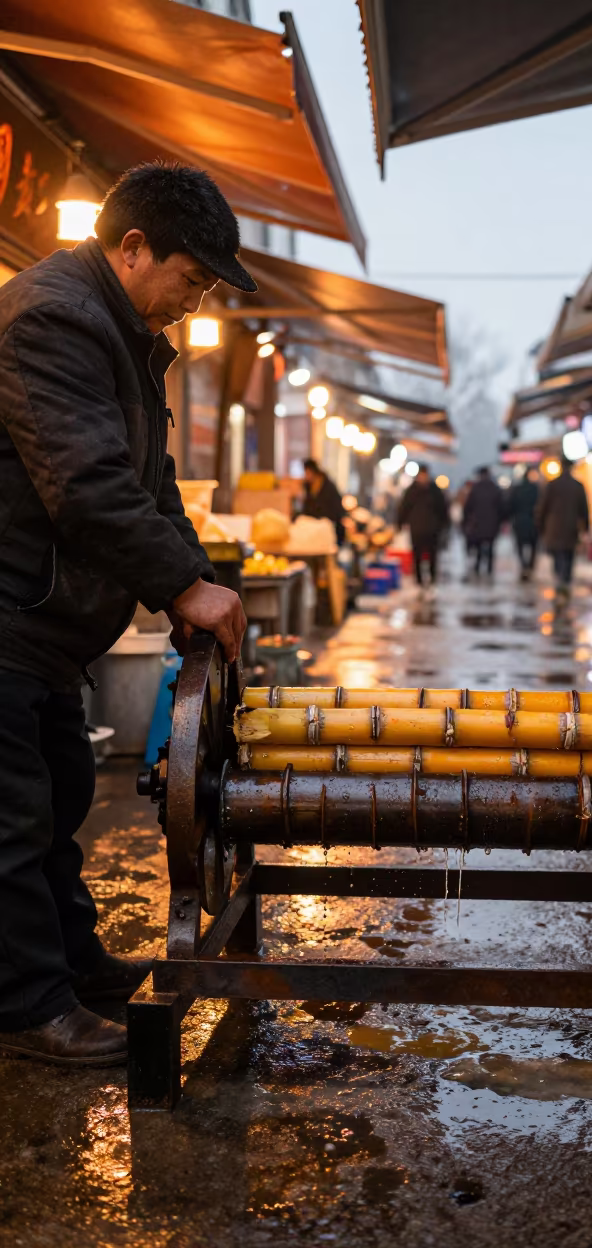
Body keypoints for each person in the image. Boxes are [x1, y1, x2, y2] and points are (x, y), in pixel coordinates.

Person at [0, 162, 251, 1068]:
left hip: (46, 628)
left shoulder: (125, 331)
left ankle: (70, 966)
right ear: (133, 247)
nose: (192, 301)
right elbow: (88, 487)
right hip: (9, 616)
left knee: (60, 799)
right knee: (12, 820)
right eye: (191, 279)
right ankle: (29, 1009)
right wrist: (183, 587)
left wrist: (198, 578)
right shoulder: (56, 317)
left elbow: (152, 486)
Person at [536, 458, 589, 598]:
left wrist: (540, 526)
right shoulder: (577, 485)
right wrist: (586, 528)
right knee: (569, 555)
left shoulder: (552, 485)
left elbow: (542, 508)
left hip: (554, 527)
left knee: (558, 556)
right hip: (571, 527)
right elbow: (584, 509)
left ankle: (560, 580)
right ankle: (565, 581)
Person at [397, 465, 449, 593]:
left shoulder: (435, 490)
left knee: (432, 556)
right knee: (417, 556)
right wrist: (399, 524)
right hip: (416, 529)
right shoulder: (412, 490)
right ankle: (419, 581)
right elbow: (404, 508)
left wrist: (444, 525)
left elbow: (443, 509)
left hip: (432, 529)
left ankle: (432, 580)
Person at [463, 466, 503, 577]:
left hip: (477, 523)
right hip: (492, 523)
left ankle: (478, 566)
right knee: (490, 546)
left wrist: (466, 521)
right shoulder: (495, 488)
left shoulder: (475, 489)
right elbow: (501, 507)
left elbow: (468, 507)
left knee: (479, 546)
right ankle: (489, 568)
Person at [301, 458, 345, 544]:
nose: (306, 475)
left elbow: (336, 508)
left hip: (328, 528)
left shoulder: (328, 486)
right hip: (313, 529)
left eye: (308, 472)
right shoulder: (307, 486)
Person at [509, 467, 540, 581]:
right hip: (533, 521)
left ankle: (524, 565)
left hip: (519, 521)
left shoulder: (517, 489)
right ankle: (530, 566)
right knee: (533, 546)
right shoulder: (535, 489)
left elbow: (511, 505)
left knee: (520, 546)